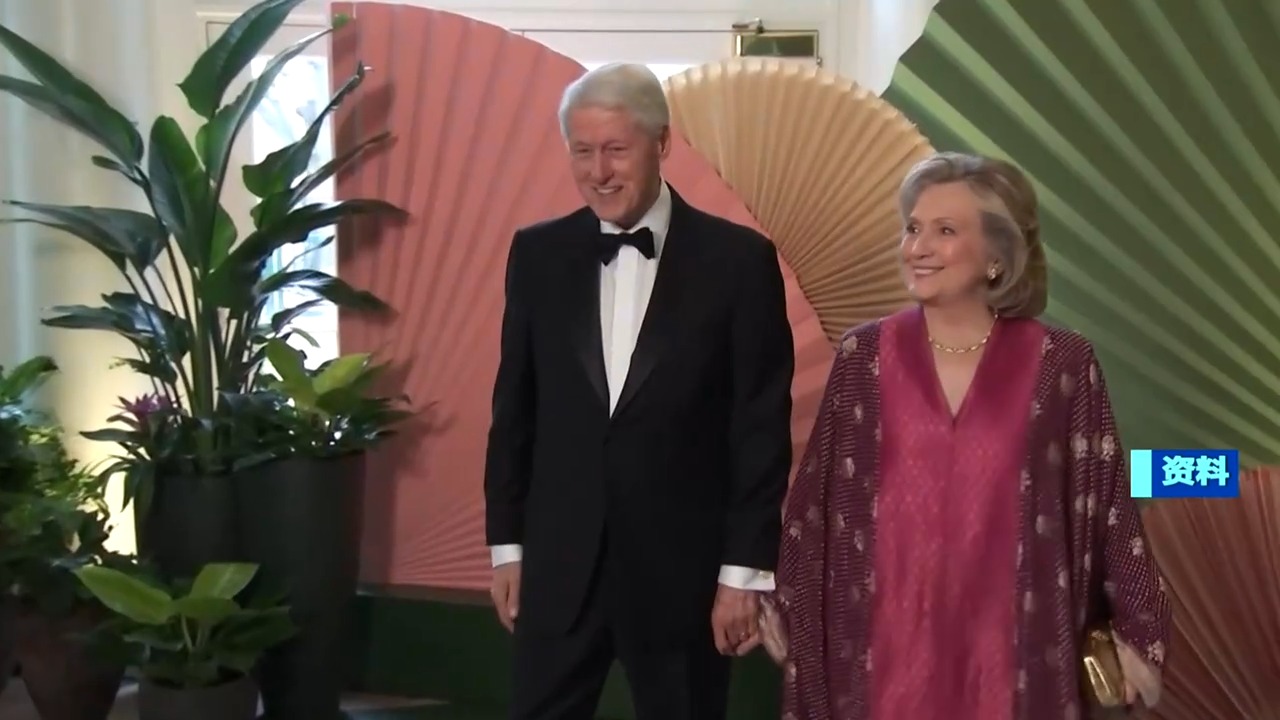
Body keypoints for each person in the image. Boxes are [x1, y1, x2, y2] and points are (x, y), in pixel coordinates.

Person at [759, 152, 1172, 719]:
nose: (917, 247)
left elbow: (1107, 506)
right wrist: (783, 607)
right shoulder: (863, 357)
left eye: (945, 231)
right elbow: (816, 510)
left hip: (1015, 662)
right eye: (912, 229)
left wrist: (1136, 632)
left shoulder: (1062, 363)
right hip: (880, 660)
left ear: (997, 256)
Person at [483, 62, 795, 720]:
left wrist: (742, 573)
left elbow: (759, 430)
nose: (598, 172)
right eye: (582, 151)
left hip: (684, 578)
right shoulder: (537, 255)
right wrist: (507, 548)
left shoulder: (739, 262)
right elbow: (515, 411)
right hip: (558, 571)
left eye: (616, 150)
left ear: (662, 143)